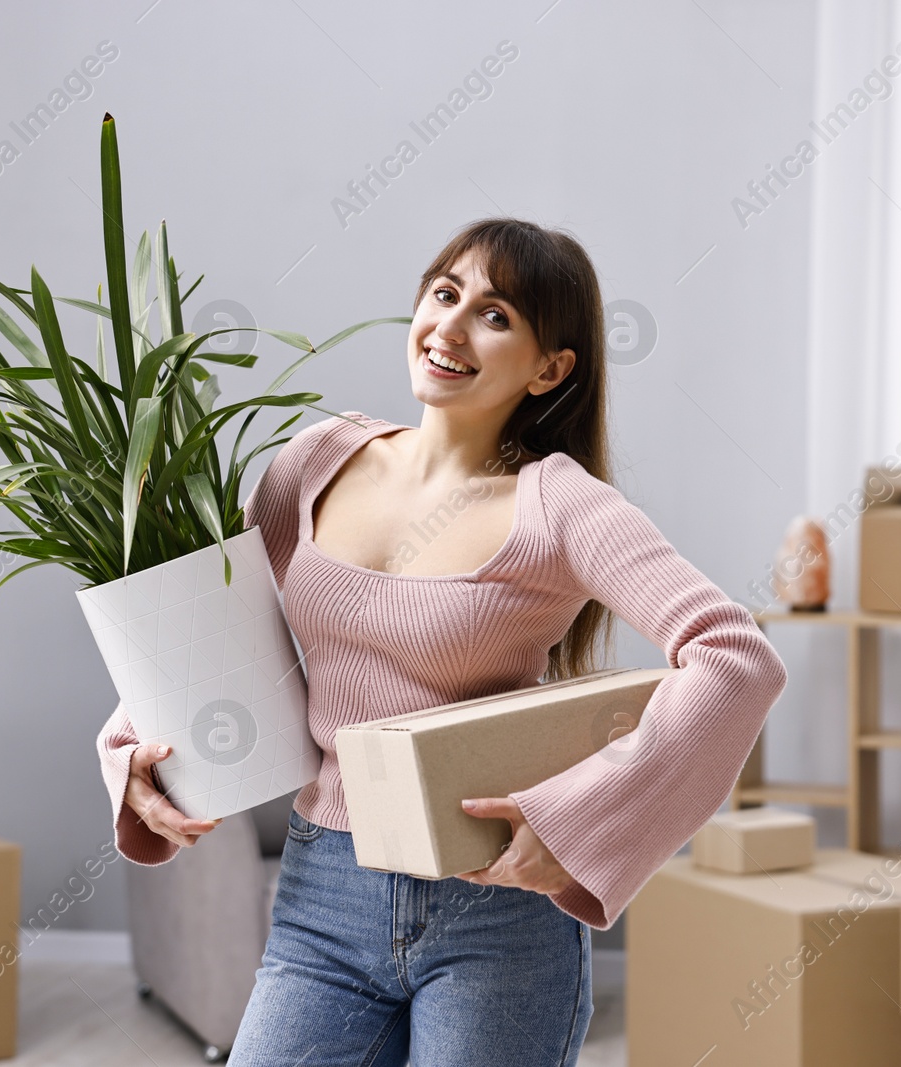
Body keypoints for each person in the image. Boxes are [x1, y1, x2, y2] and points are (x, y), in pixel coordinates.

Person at [95, 217, 788, 1065]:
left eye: (495, 316)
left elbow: (736, 656)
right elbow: (211, 634)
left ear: (551, 368)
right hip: (324, 896)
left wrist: (578, 820)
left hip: (494, 909)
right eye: (445, 293)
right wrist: (130, 744)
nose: (451, 328)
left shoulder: (559, 503)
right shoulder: (314, 460)